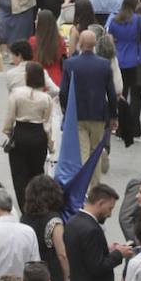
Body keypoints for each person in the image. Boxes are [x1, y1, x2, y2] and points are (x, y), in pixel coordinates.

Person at [63, 185, 132, 281]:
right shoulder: (92, 229)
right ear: (100, 203)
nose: (110, 214)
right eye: (110, 208)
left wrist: (107, 251)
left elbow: (84, 255)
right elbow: (97, 267)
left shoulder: (73, 222)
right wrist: (119, 254)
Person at [58, 30, 119, 189]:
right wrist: (114, 116)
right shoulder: (104, 65)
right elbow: (111, 93)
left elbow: (63, 91)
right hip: (98, 114)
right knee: (95, 152)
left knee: (83, 152)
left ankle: (83, 187)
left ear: (80, 44)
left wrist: (66, 110)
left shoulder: (70, 64)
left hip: (78, 115)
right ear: (95, 45)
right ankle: (95, 186)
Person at [3, 62, 54, 211]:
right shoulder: (46, 98)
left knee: (19, 174)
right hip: (38, 135)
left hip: (21, 132)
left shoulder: (17, 93)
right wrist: (50, 144)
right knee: (37, 172)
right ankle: (36, 205)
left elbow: (9, 116)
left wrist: (8, 131)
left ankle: (23, 205)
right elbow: (47, 123)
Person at [105, 0, 141, 140]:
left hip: (120, 60)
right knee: (136, 97)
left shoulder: (114, 20)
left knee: (121, 95)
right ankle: (135, 131)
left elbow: (110, 41)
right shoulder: (139, 20)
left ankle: (120, 130)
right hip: (137, 60)